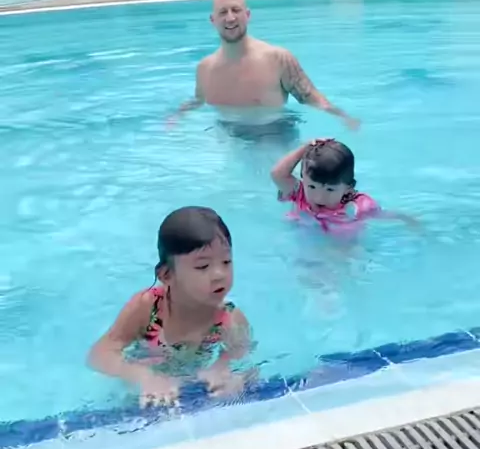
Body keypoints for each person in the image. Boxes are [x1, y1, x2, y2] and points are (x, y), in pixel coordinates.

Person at [88, 207, 251, 406]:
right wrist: (144, 376)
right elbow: (101, 354)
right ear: (167, 275)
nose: (219, 274)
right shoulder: (148, 308)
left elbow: (247, 364)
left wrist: (227, 373)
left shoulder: (230, 320)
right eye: (203, 266)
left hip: (188, 386)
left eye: (226, 261)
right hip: (145, 377)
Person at [172, 0, 359, 132]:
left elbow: (310, 96)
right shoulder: (204, 69)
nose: (230, 18)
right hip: (228, 137)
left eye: (236, 10)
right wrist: (175, 117)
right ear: (213, 20)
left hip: (274, 134)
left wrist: (343, 117)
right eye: (223, 12)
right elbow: (198, 101)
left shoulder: (278, 59)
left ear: (247, 15)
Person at [271, 138, 415, 232]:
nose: (319, 197)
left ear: (348, 188)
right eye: (312, 187)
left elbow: (383, 215)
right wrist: (304, 149)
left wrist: (408, 221)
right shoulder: (299, 193)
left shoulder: (357, 206)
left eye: (330, 189)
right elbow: (277, 174)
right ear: (303, 178)